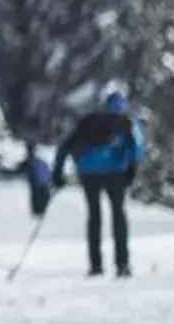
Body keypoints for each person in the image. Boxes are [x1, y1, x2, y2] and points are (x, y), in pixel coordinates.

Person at [54, 84, 147, 279]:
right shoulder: (127, 122)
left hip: (89, 172)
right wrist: (132, 170)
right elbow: (136, 149)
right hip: (115, 172)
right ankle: (122, 264)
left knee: (94, 216)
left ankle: (95, 266)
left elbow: (66, 146)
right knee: (118, 215)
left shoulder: (89, 121)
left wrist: (58, 173)